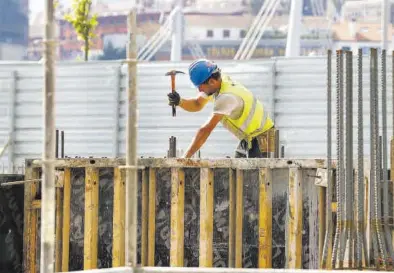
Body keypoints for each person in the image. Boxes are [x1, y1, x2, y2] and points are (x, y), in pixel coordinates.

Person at [167, 59, 275, 159]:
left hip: (264, 140)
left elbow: (205, 130)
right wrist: (180, 101)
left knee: (255, 178)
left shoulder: (226, 96)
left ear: (211, 82)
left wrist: (184, 159)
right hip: (250, 138)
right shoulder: (218, 82)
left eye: (200, 86)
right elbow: (197, 104)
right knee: (235, 173)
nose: (199, 89)